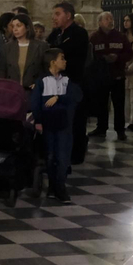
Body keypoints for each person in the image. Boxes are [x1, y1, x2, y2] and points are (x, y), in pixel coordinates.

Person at [29, 50, 82, 202]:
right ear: (52, 62)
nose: (65, 61)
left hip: (64, 125)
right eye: (62, 58)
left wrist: (59, 97)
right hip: (48, 125)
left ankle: (60, 187)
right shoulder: (42, 81)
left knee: (63, 157)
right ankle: (53, 187)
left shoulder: (67, 80)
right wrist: (38, 121)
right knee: (51, 156)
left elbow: (77, 95)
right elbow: (36, 103)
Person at [49, 2, 91, 165]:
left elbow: (65, 54)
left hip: (73, 82)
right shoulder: (55, 34)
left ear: (68, 15)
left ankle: (76, 154)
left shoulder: (79, 33)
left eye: (57, 14)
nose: (54, 17)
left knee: (75, 121)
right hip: (56, 83)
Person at [88, 12, 130, 142]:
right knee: (101, 104)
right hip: (101, 76)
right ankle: (101, 128)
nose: (110, 21)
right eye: (107, 19)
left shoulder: (121, 37)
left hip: (117, 75)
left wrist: (117, 57)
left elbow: (129, 52)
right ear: (100, 22)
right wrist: (102, 59)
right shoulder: (94, 38)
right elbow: (90, 56)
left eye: (111, 18)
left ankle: (120, 130)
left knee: (119, 105)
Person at [0, 13, 47, 88]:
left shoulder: (41, 46)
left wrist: (39, 84)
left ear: (28, 27)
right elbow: (1, 72)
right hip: (12, 91)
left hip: (34, 91)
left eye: (18, 26)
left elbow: (46, 70)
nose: (15, 29)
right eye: (13, 26)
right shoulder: (7, 48)